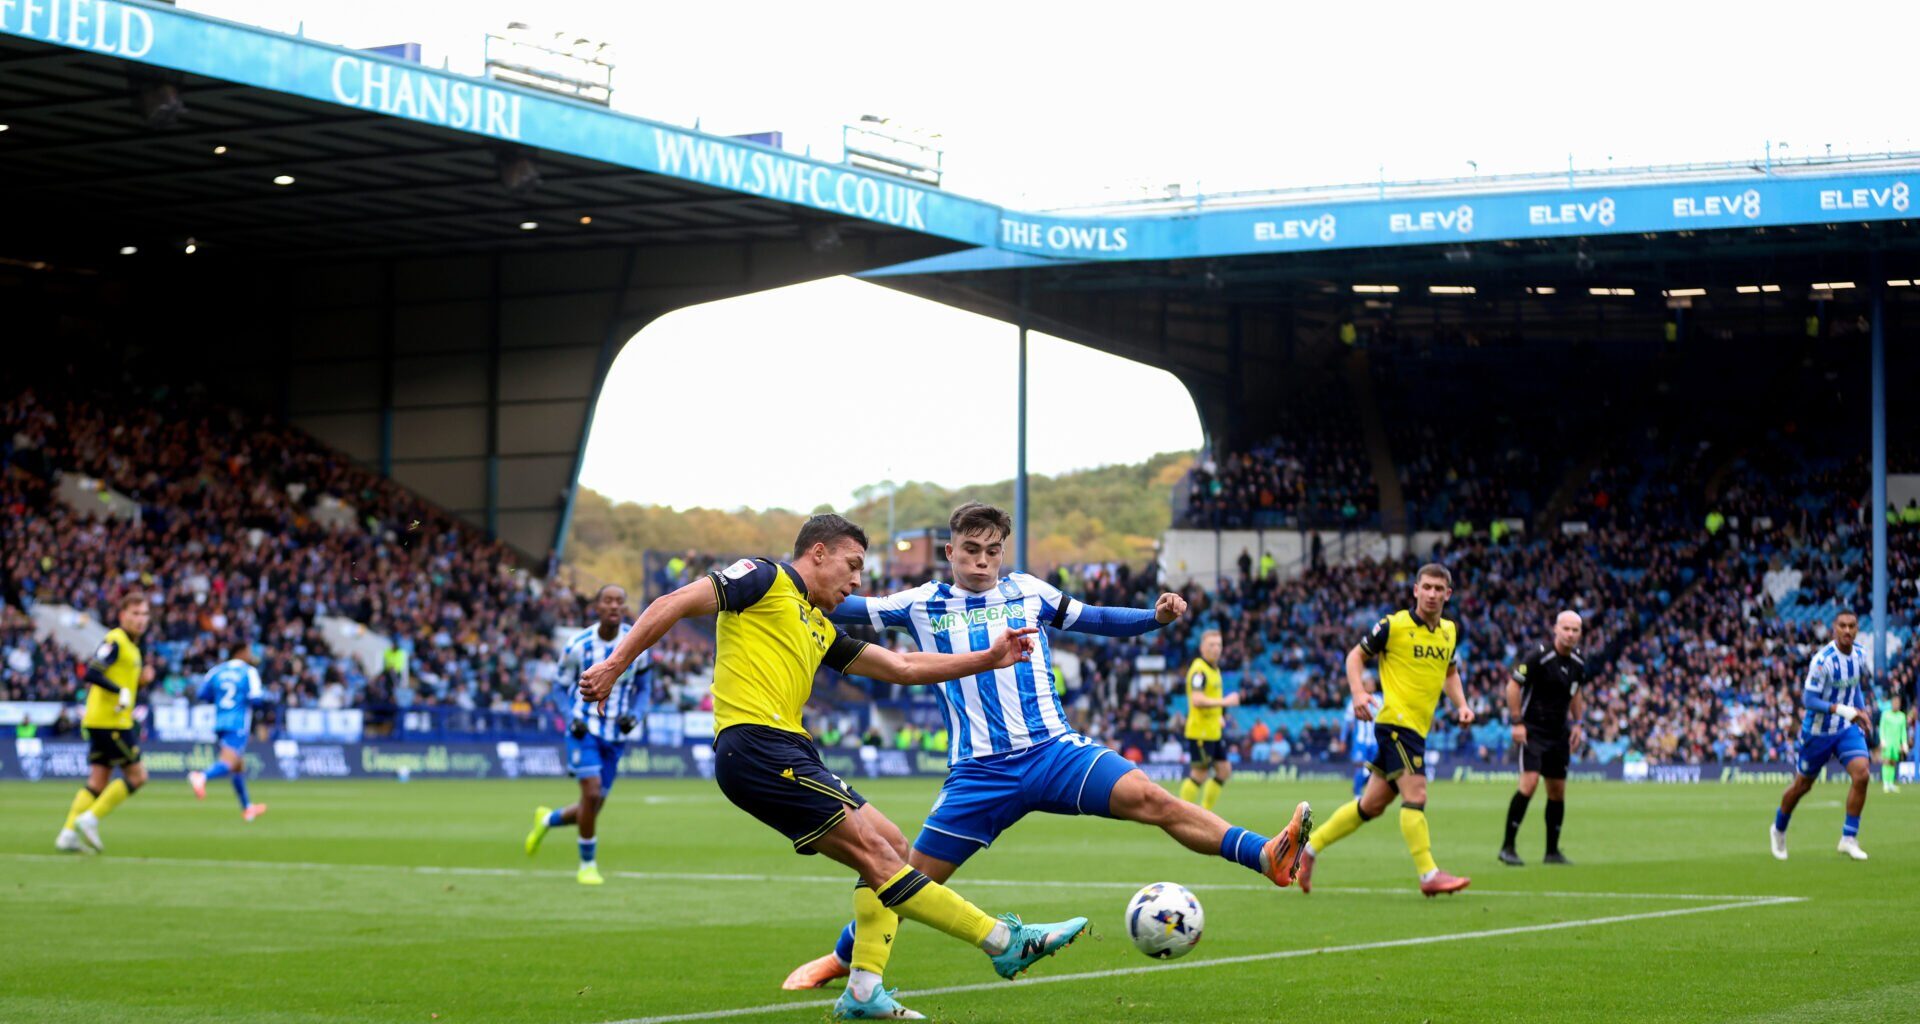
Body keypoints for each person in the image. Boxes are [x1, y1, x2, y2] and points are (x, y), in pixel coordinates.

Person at [781, 502, 1311, 1002]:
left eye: (992, 550)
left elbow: (1096, 617)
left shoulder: (1028, 591)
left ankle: (1265, 855)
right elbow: (841, 603)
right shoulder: (921, 603)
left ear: (1004, 552)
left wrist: (1155, 618)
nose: (982, 560)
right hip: (978, 775)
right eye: (970, 549)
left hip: (1054, 753)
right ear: (949, 553)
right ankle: (841, 958)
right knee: (904, 879)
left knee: (1152, 797)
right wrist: (780, 586)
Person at [580, 515, 1089, 1021]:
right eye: (852, 566)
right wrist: (613, 663)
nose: (857, 582)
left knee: (892, 846)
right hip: (756, 748)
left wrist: (988, 657)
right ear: (817, 553)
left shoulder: (818, 626)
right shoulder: (764, 579)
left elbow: (902, 667)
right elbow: (673, 602)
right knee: (879, 856)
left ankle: (865, 988)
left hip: (791, 752)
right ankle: (1002, 941)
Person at [1297, 563, 1475, 897]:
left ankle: (1307, 851)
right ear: (1415, 590)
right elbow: (1354, 657)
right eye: (1427, 587)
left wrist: (1461, 704)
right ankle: (1428, 875)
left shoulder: (1450, 631)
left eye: (1440, 589)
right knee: (1416, 795)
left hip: (1417, 729)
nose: (1433, 594)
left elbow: (1450, 673)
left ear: (1448, 594)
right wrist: (1358, 693)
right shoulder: (1393, 625)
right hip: (1396, 724)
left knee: (1371, 805)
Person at [526, 584, 647, 886]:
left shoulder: (637, 641)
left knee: (593, 806)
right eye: (608, 601)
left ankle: (547, 820)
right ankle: (587, 865)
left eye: (620, 601)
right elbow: (558, 686)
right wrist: (570, 718)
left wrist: (636, 714)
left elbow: (644, 687)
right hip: (584, 729)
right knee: (591, 794)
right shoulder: (577, 644)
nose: (614, 606)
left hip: (614, 733)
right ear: (596, 607)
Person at [1772, 610, 1875, 861]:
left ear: (1857, 629)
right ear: (1834, 629)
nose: (1847, 630)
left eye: (1852, 626)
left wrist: (1859, 712)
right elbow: (1809, 700)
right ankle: (1778, 828)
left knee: (1862, 774)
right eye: (1842, 626)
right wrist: (1844, 710)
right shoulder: (1823, 661)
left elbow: (1854, 688)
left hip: (1845, 729)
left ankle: (1848, 838)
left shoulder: (1860, 655)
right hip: (1817, 732)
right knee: (1802, 786)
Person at [56, 593, 155, 854]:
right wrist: (120, 690)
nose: (140, 619)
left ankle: (67, 833)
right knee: (138, 775)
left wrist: (139, 683)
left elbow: (121, 681)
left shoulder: (132, 648)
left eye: (144, 614)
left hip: (104, 721)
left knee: (98, 781)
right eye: (135, 614)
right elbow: (92, 672)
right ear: (123, 615)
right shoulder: (116, 640)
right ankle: (90, 819)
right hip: (111, 722)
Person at [1499, 611, 1587, 866]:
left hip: (1559, 733)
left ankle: (1552, 852)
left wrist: (1578, 723)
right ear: (1556, 629)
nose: (1570, 634)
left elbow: (1576, 692)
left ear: (1580, 633)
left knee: (1557, 791)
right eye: (1566, 629)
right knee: (1529, 783)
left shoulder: (1579, 662)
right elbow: (1513, 686)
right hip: (1533, 731)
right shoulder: (1539, 655)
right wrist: (1516, 722)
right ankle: (1508, 847)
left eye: (1575, 630)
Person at [187, 648, 270, 821]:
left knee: (238, 765)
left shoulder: (216, 671)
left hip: (219, 722)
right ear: (240, 653)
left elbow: (202, 694)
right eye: (248, 652)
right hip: (238, 723)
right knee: (229, 762)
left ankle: (247, 807)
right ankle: (201, 776)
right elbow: (256, 699)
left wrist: (219, 698)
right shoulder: (249, 671)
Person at [1180, 630, 1238, 809]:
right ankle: (1180, 813)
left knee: (1224, 770)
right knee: (1199, 774)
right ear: (1202, 648)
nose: (1216, 649)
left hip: (1213, 731)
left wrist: (1219, 716)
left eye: (1219, 645)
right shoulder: (1199, 671)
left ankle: (1205, 812)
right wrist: (1226, 701)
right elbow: (1197, 700)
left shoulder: (1214, 669)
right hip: (1201, 732)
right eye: (1211, 645)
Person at [1341, 690, 1383, 798]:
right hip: (1361, 741)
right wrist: (1343, 739)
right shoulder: (1355, 701)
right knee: (1360, 765)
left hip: (1375, 741)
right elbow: (1347, 722)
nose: (1371, 684)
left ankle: (1365, 789)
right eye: (1368, 682)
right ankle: (1357, 794)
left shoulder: (1378, 700)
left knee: (1374, 768)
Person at [1879, 694, 1908, 794]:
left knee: (1893, 762)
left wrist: (1904, 743)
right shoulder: (1885, 714)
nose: (1896, 704)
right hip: (1887, 742)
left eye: (1898, 702)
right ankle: (1885, 783)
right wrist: (1882, 740)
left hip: (1896, 743)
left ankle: (1890, 783)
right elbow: (1882, 728)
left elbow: (1903, 731)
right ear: (1891, 703)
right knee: (1886, 761)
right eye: (1894, 702)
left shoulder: (1902, 716)